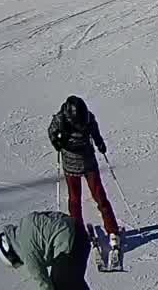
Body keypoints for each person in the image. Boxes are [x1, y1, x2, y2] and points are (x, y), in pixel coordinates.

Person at [48, 96, 121, 246]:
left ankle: (112, 230)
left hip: (88, 161)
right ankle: (78, 232)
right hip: (70, 163)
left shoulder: (88, 117)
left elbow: (94, 131)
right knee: (75, 200)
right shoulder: (60, 119)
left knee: (100, 196)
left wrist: (100, 143)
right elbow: (52, 132)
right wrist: (57, 141)